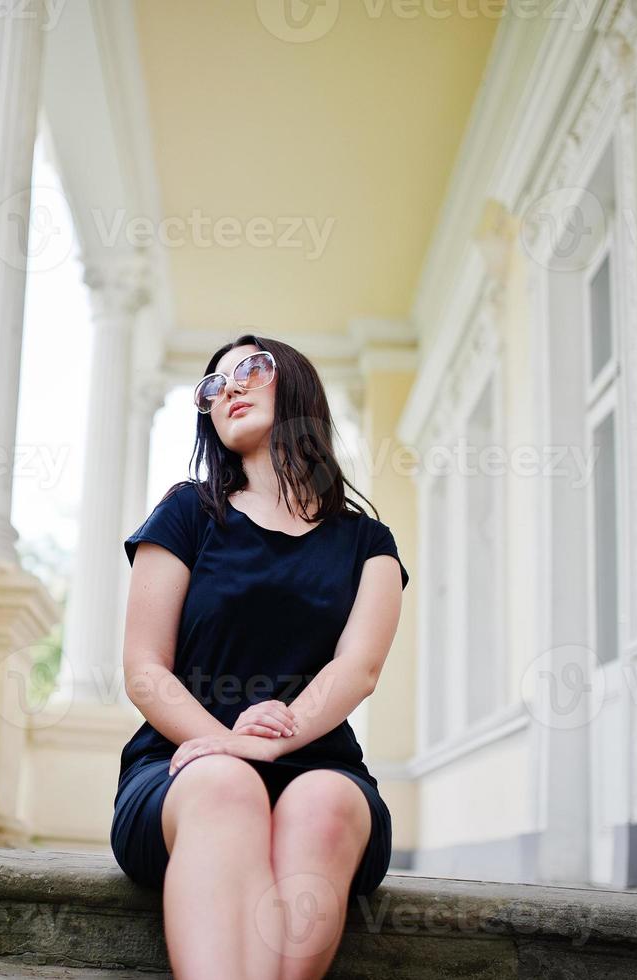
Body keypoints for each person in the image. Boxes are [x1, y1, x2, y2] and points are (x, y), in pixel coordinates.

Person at [110, 335, 409, 980]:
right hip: (182, 769)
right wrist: (227, 744)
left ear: (297, 383)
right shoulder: (187, 512)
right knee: (226, 784)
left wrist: (272, 743)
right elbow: (144, 671)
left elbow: (358, 669)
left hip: (319, 765)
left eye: (249, 369)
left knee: (322, 805)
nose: (229, 388)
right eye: (212, 386)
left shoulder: (368, 542)